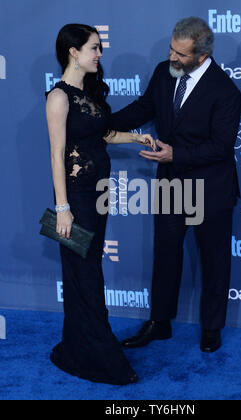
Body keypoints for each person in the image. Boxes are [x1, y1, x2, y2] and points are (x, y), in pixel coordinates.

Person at [110, 17, 241, 353]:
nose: (172, 57)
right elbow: (143, 107)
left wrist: (175, 154)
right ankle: (160, 322)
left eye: (180, 54)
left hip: (211, 188)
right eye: (171, 48)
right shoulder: (162, 71)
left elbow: (221, 146)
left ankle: (212, 328)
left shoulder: (226, 91)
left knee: (214, 260)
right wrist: (103, 122)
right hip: (171, 186)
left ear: (201, 56)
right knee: (165, 254)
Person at [45, 23, 155, 384]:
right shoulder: (58, 97)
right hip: (76, 200)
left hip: (99, 196)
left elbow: (104, 134)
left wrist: (136, 136)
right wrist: (62, 208)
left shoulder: (89, 93)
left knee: (86, 271)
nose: (99, 55)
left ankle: (81, 347)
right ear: (73, 51)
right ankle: (99, 358)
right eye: (94, 48)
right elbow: (56, 155)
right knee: (84, 276)